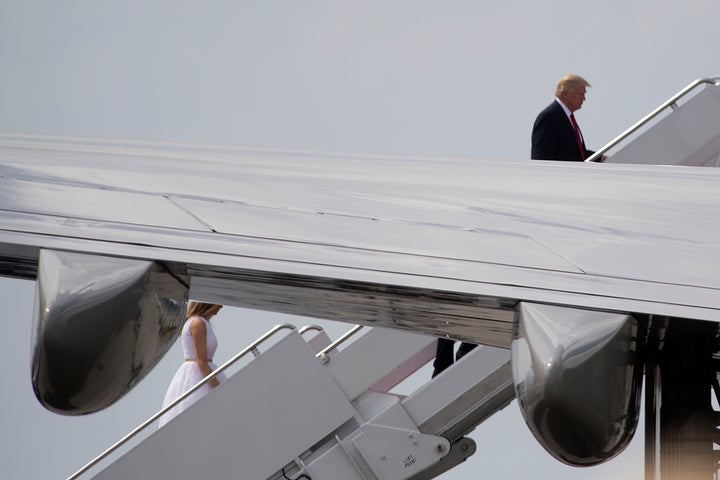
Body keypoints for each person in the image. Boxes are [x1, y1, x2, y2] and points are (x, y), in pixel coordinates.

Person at [159, 301, 226, 427]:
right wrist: (218, 385)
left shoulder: (200, 322)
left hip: (203, 369)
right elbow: (201, 361)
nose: (221, 306)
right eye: (219, 303)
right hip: (199, 373)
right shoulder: (198, 323)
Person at [531, 74, 598, 161]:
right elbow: (541, 157)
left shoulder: (567, 117)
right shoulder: (549, 118)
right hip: (557, 174)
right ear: (565, 94)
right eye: (580, 94)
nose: (584, 98)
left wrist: (600, 157)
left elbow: (574, 153)